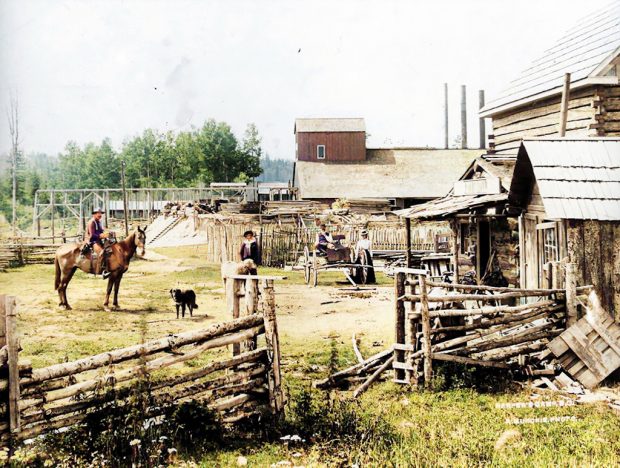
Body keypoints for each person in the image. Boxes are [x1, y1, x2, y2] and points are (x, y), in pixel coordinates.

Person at [86, 208, 110, 278]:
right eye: (98, 213)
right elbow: (92, 235)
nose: (100, 215)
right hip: (92, 241)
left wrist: (107, 232)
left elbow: (101, 231)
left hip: (98, 240)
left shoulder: (98, 222)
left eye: (100, 213)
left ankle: (107, 267)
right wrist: (101, 236)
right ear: (94, 214)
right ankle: (99, 272)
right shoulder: (92, 222)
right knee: (102, 253)